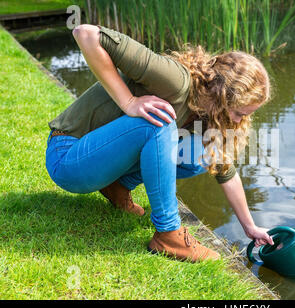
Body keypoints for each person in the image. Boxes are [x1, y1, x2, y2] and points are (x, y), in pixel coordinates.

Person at [45, 24, 274, 262]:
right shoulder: (175, 81)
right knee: (161, 122)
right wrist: (129, 101)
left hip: (100, 163)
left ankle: (118, 187)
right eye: (241, 112)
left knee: (205, 153)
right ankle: (168, 234)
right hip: (68, 157)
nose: (242, 120)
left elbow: (225, 169)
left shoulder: (208, 113)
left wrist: (250, 227)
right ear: (222, 96)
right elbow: (86, 34)